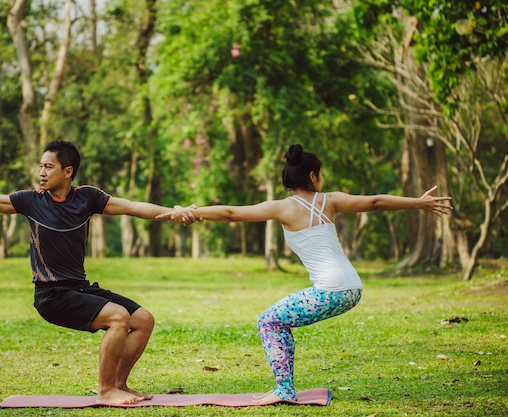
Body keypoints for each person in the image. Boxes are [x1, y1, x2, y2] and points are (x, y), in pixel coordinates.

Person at [157, 144, 453, 404]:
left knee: (269, 321)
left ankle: (284, 389)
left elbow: (233, 213)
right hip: (351, 288)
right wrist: (418, 202)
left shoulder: (284, 207)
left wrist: (193, 212)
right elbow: (375, 202)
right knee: (274, 321)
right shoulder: (332, 200)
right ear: (313, 176)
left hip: (331, 289)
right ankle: (284, 387)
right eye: (320, 173)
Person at [0, 140, 192, 405]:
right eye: (41, 166)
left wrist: (173, 211)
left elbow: (133, 207)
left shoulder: (87, 198)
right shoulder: (31, 201)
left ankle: (118, 385)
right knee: (118, 317)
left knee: (143, 320)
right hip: (52, 294)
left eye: (48, 166)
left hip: (79, 288)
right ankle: (105, 391)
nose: (41, 173)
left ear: (67, 171)